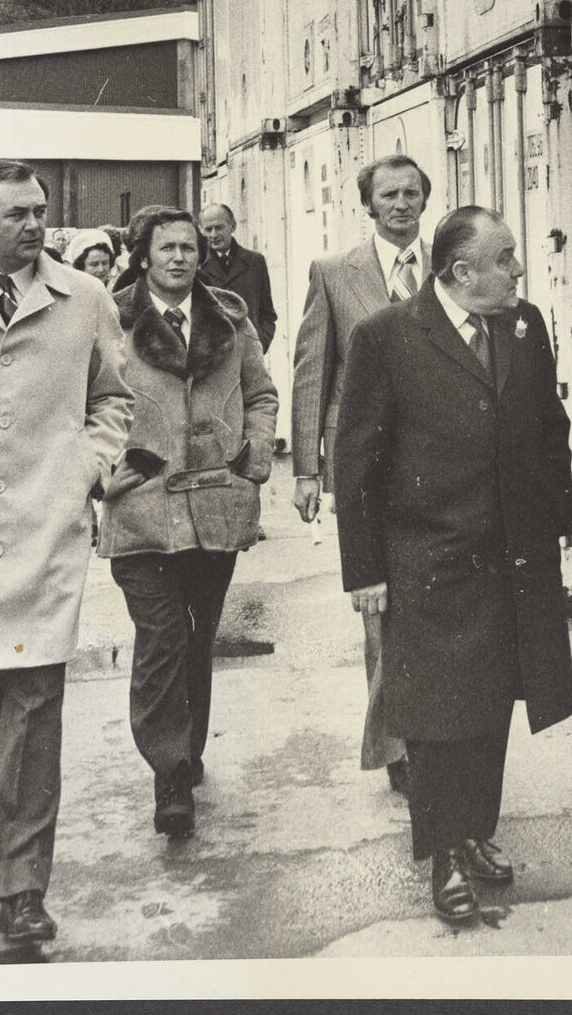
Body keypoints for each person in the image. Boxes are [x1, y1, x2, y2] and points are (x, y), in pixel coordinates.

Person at [334, 205, 572, 924]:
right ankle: (441, 856)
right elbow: (355, 462)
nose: (518, 270)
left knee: (494, 701)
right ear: (460, 271)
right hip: (428, 558)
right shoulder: (386, 337)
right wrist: (365, 570)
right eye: (505, 257)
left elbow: (548, 431)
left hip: (513, 555)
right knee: (438, 715)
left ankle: (473, 832)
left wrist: (557, 516)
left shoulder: (524, 325)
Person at [0, 162, 134, 947]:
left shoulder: (85, 300)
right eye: (16, 212)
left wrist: (87, 466)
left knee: (32, 705)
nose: (33, 225)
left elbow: (114, 398)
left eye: (41, 211)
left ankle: (21, 886)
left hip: (46, 531)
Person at [97, 207, 278, 841]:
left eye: (189, 247)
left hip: (214, 506)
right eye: (166, 247)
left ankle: (188, 753)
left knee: (197, 638)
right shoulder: (109, 317)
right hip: (141, 507)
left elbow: (260, 392)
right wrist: (101, 471)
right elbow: (81, 402)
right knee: (162, 638)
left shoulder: (230, 313)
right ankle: (169, 775)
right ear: (142, 255)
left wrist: (253, 455)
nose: (179, 257)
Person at [290, 153, 434, 793]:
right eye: (388, 195)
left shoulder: (451, 267)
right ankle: (398, 744)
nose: (400, 204)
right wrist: (306, 470)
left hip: (441, 466)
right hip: (368, 465)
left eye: (411, 193)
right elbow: (311, 371)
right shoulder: (334, 274)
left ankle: (438, 732)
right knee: (380, 608)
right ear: (368, 205)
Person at [198, 203, 278, 354]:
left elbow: (267, 313)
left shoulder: (255, 262)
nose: (214, 235)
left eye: (219, 227)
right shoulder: (197, 265)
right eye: (208, 229)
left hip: (249, 354)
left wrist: (260, 343)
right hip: (212, 356)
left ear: (233, 226)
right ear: (201, 230)